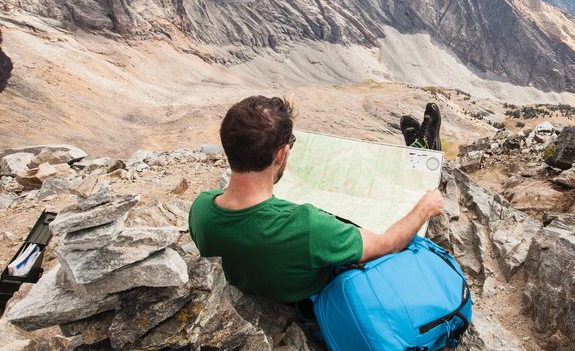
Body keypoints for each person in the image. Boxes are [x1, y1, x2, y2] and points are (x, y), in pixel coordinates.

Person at [188, 95, 444, 304]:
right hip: (324, 298)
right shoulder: (306, 226)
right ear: (281, 154)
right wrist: (424, 209)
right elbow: (387, 244)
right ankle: (423, 154)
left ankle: (418, 152)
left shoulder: (201, 208)